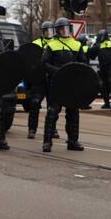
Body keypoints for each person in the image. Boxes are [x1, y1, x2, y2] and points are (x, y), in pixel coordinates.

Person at [42, 17, 86, 152]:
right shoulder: (51, 45)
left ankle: (73, 141)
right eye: (61, 29)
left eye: (66, 28)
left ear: (70, 29)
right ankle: (47, 142)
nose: (64, 31)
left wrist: (76, 72)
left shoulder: (77, 45)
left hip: (72, 85)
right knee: (52, 112)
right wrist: (58, 72)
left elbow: (84, 63)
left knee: (73, 113)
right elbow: (44, 64)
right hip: (57, 83)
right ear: (57, 31)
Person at [24, 22, 54, 139]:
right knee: (35, 103)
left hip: (51, 78)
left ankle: (52, 129)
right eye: (46, 31)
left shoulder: (56, 43)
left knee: (52, 106)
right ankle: (32, 129)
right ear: (42, 32)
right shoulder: (35, 44)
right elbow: (29, 60)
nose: (48, 33)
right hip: (38, 79)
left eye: (50, 30)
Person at [89, 30, 111, 110]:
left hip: (109, 69)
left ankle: (110, 103)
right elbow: (92, 55)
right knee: (106, 86)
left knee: (108, 86)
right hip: (105, 69)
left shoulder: (110, 45)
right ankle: (109, 103)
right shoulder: (105, 45)